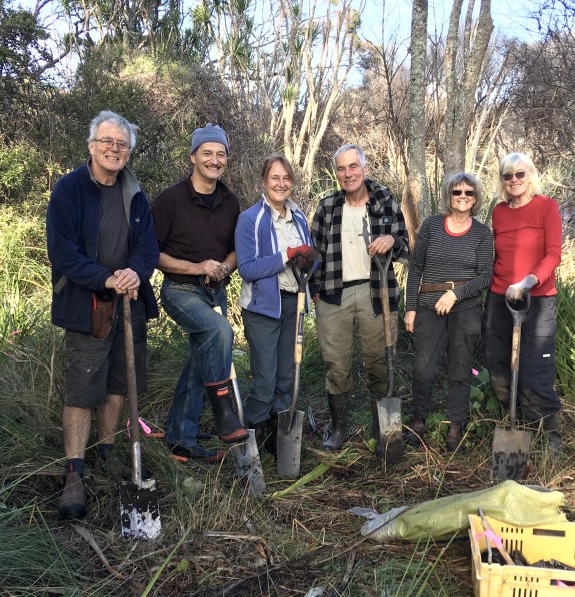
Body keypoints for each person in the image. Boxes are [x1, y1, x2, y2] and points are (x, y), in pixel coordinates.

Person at [46, 110, 159, 519]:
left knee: (117, 383)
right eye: (107, 142)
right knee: (82, 387)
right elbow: (63, 254)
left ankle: (108, 452)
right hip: (88, 305)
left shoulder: (135, 193)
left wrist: (134, 271)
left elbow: (148, 246)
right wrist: (105, 279)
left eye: (121, 144)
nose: (114, 149)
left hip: (130, 302)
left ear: (128, 152)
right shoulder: (70, 190)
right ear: (91, 146)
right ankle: (74, 472)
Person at [151, 123, 247, 464]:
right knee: (220, 331)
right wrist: (198, 267)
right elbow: (151, 253)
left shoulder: (229, 201)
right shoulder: (170, 200)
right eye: (207, 153)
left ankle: (180, 439)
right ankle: (224, 415)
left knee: (200, 360)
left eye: (220, 154)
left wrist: (223, 267)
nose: (214, 160)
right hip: (180, 290)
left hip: (214, 292)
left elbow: (237, 250)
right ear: (193, 157)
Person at [309, 144, 409, 451]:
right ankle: (339, 430)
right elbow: (313, 255)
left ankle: (384, 432)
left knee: (378, 363)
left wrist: (391, 238)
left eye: (353, 166)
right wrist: (315, 295)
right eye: (341, 168)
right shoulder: (327, 207)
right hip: (333, 294)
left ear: (364, 168)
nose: (348, 173)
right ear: (336, 172)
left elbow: (404, 246)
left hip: (375, 291)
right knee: (336, 366)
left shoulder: (383, 199)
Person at [403, 172, 494, 453]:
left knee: (459, 368)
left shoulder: (481, 233)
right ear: (449, 196)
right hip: (429, 306)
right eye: (457, 192)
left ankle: (456, 425)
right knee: (424, 367)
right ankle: (418, 421)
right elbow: (416, 267)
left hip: (465, 308)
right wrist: (410, 308)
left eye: (469, 192)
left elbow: (485, 276)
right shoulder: (432, 226)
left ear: (476, 198)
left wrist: (455, 294)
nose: (463, 197)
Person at [235, 154, 318, 457]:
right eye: (274, 178)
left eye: (286, 178)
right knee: (266, 377)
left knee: (287, 375)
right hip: (262, 308)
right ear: (263, 182)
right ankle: (254, 433)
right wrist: (287, 254)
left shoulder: (298, 218)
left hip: (292, 304)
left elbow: (308, 261)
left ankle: (278, 432)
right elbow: (247, 268)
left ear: (292, 183)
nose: (281, 184)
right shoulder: (250, 219)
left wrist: (310, 257)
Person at [482, 152, 563, 455]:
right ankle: (512, 421)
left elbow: (554, 253)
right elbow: (496, 254)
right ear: (502, 180)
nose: (514, 180)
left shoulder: (547, 207)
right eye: (507, 175)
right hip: (500, 297)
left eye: (520, 174)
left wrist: (529, 280)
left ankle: (550, 434)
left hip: (537, 299)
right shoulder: (500, 211)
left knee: (534, 369)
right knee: (498, 362)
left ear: (531, 175)